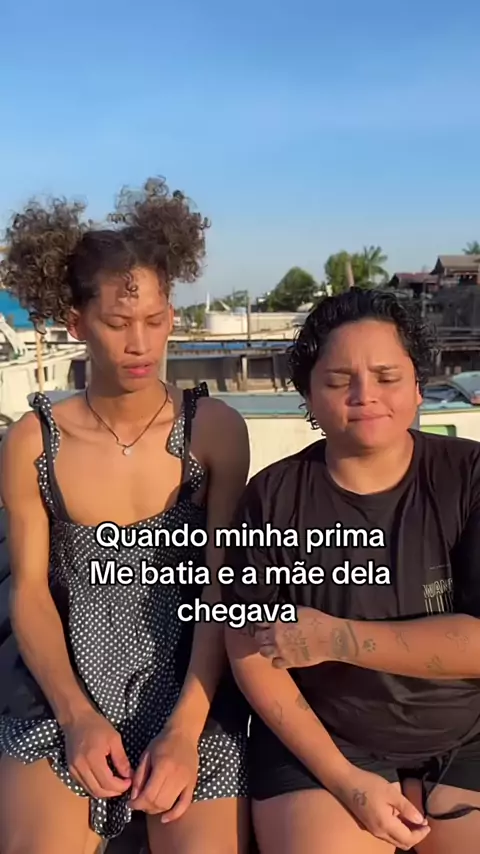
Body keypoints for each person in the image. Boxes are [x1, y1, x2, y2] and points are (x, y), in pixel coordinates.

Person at [0, 178, 251, 854]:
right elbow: (28, 590)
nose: (141, 343)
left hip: (193, 690)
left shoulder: (215, 431)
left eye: (155, 319)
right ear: (76, 323)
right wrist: (75, 717)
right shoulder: (32, 443)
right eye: (117, 323)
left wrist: (186, 729)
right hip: (62, 691)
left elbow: (222, 588)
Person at [224, 287, 480, 854]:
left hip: (467, 734)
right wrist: (347, 782)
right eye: (340, 380)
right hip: (325, 740)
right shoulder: (271, 499)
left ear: (418, 386)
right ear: (309, 396)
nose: (366, 396)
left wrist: (336, 638)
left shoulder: (469, 476)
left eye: (387, 377)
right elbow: (248, 650)